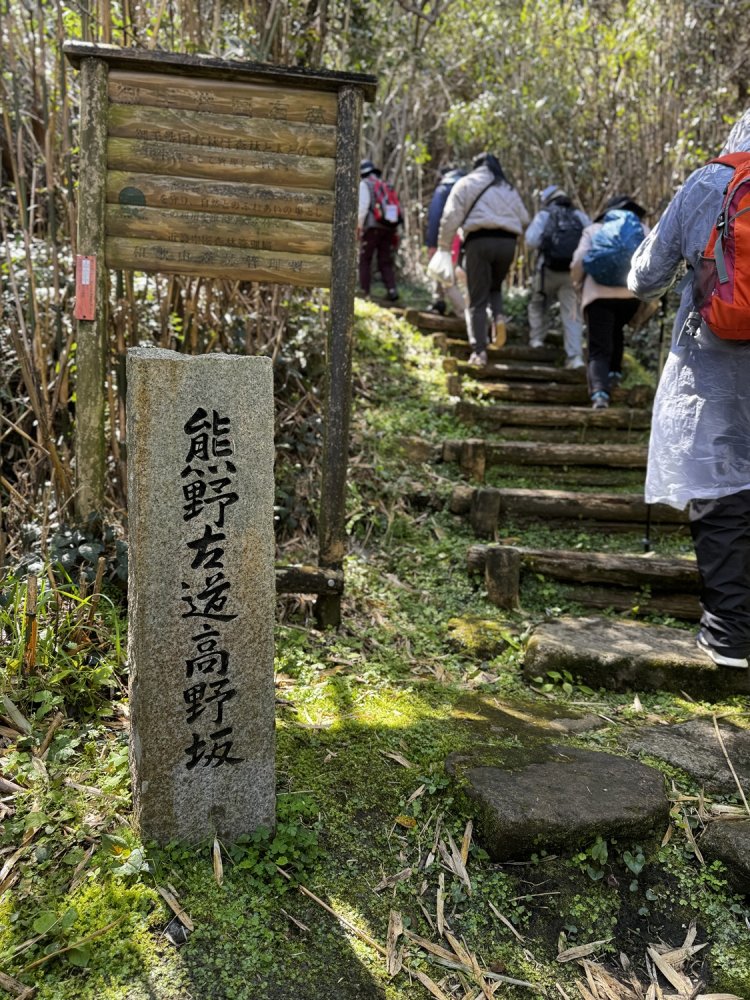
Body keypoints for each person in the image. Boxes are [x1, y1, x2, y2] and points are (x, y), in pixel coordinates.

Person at [628, 108, 750, 670]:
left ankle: (728, 635)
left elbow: (646, 277)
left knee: (720, 481)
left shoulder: (709, 182)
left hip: (715, 364)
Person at [438, 152, 529, 366]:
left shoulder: (466, 183)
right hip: (507, 243)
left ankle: (479, 352)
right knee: (495, 288)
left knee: (477, 299)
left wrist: (444, 246)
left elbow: (451, 216)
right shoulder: (507, 187)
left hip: (479, 241)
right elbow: (524, 218)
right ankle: (498, 317)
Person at [570, 195, 647, 408]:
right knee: (616, 332)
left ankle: (599, 393)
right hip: (631, 295)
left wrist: (577, 285)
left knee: (598, 346)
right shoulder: (641, 228)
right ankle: (614, 375)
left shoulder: (594, 229)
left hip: (598, 295)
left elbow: (578, 261)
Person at [525, 185, 590, 369]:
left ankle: (537, 340)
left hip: (547, 271)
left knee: (538, 303)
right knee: (572, 313)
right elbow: (592, 239)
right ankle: (575, 357)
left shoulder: (545, 215)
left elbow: (530, 240)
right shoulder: (578, 216)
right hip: (572, 273)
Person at [425, 165, 466, 316]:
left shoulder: (443, 190)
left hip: (447, 238)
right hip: (464, 238)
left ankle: (465, 314)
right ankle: (438, 302)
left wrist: (431, 243)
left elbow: (435, 217)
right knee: (444, 272)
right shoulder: (466, 189)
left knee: (447, 280)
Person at [358, 158, 399, 301]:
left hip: (372, 227)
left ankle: (365, 292)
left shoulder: (365, 184)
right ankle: (392, 290)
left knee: (365, 259)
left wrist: (358, 227)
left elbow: (362, 208)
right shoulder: (385, 184)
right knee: (385, 260)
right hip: (388, 228)